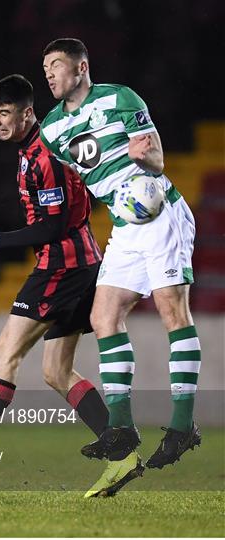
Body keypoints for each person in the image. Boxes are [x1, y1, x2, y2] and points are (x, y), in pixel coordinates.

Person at [0, 75, 144, 497]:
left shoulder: (42, 156)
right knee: (55, 370)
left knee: (4, 353)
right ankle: (123, 453)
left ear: (27, 112)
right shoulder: (37, 148)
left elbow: (53, 224)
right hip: (83, 263)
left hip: (62, 267)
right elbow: (79, 201)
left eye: (5, 113)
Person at [39, 38, 201, 476]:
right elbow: (87, 177)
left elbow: (159, 158)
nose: (50, 73)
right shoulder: (52, 129)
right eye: (46, 67)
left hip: (159, 210)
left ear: (81, 68)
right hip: (124, 223)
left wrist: (144, 157)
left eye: (56, 65)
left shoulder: (119, 97)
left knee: (172, 310)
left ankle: (183, 425)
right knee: (103, 317)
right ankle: (121, 428)